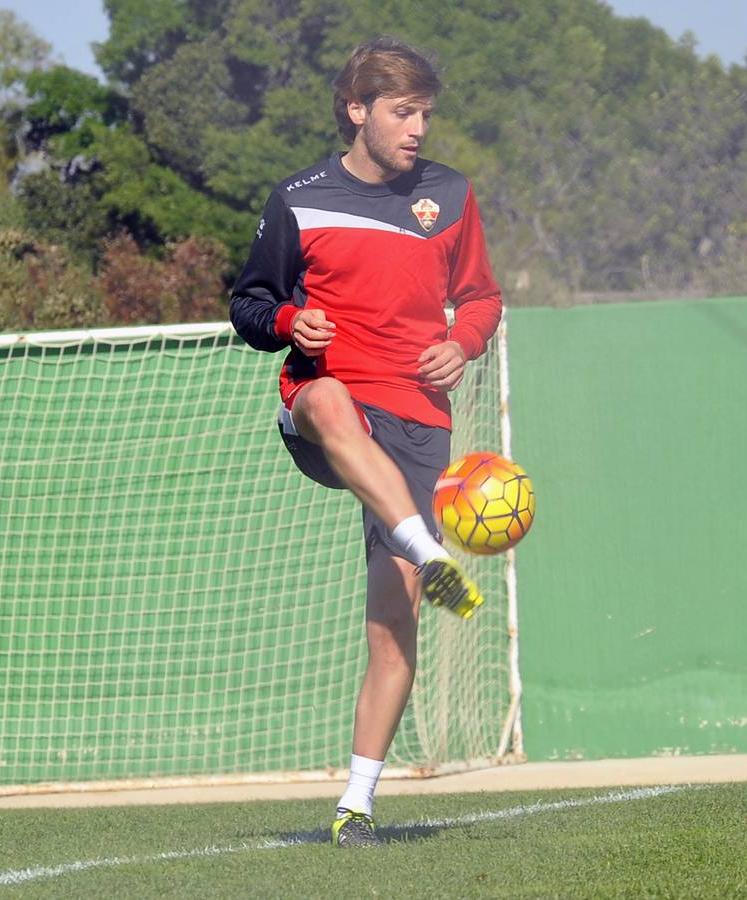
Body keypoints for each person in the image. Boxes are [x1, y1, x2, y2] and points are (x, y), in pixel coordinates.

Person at [229, 37, 503, 847]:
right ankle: (426, 543)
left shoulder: (450, 196)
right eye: (402, 111)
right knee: (331, 397)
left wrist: (467, 342)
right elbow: (249, 304)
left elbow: (482, 297)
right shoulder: (299, 198)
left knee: (394, 626)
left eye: (426, 113)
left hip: (419, 418)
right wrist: (288, 320)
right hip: (323, 403)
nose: (419, 128)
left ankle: (356, 806)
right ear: (358, 111)